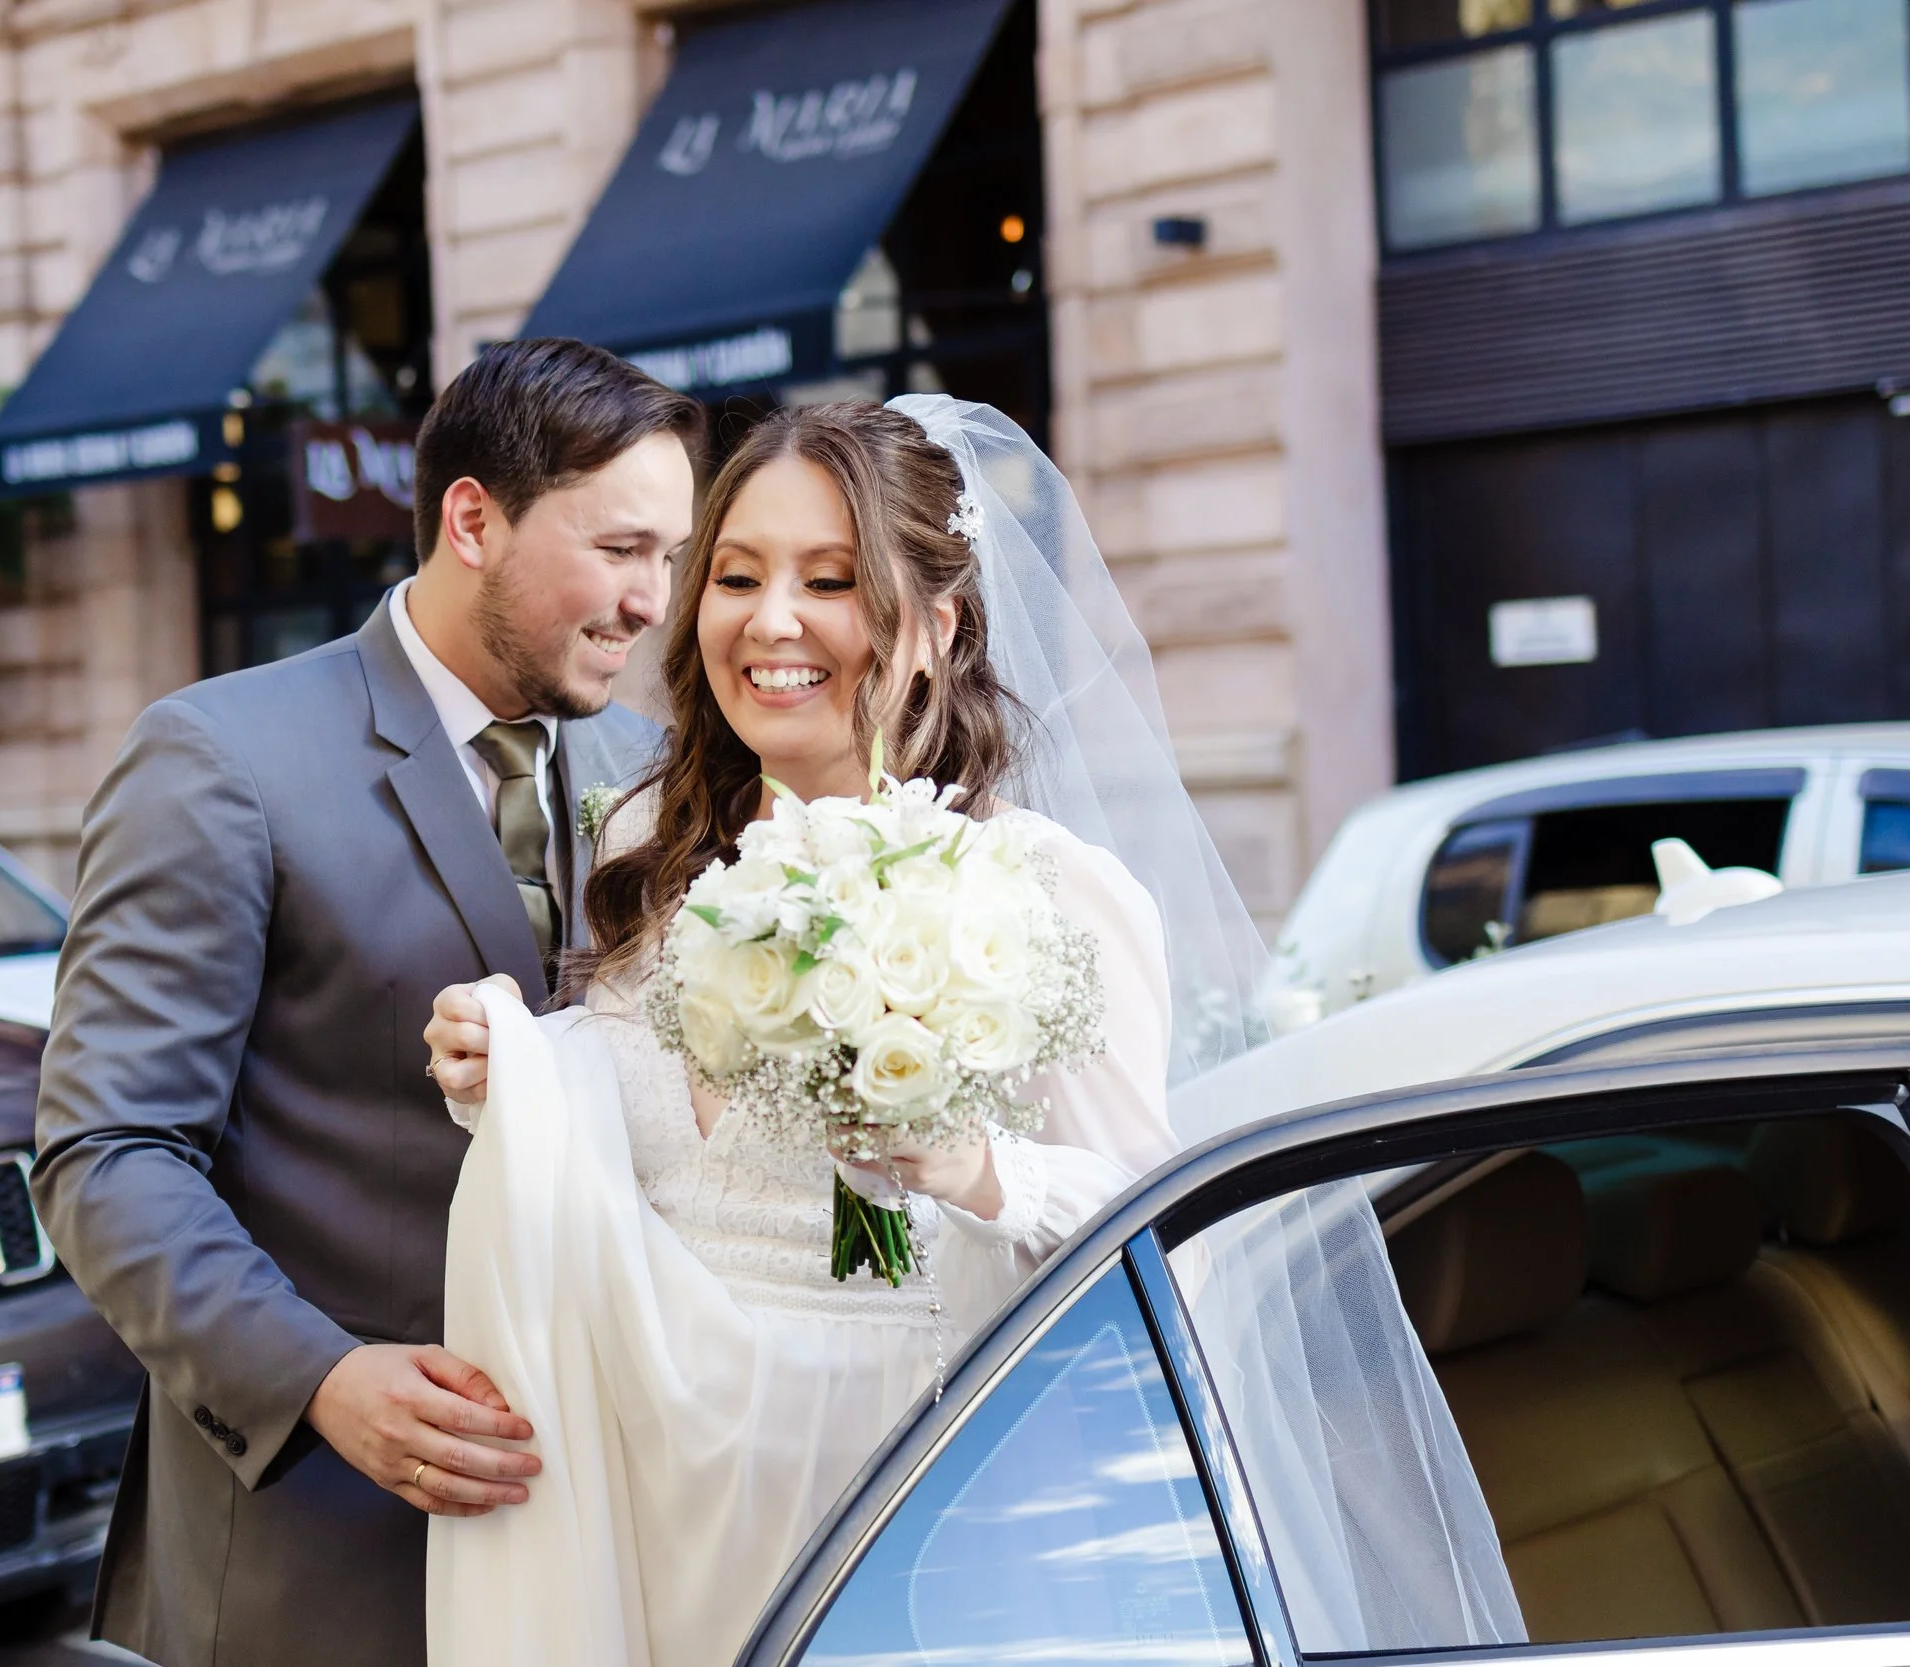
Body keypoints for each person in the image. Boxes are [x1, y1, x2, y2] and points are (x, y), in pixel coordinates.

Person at [420, 397, 1525, 1666]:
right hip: (655, 1485)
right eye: (734, 576)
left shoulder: (1043, 895)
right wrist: (510, 1069)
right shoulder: (641, 855)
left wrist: (971, 1172)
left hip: (898, 1516)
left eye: (830, 579)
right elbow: (629, 1144)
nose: (769, 621)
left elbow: (1169, 1235)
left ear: (937, 624)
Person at [32, 338, 701, 1667]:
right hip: (319, 1554)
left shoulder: (636, 762)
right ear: (473, 519)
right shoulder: (221, 758)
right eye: (624, 548)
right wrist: (324, 1379)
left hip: (594, 1524)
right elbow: (105, 1156)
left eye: (674, 556)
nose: (653, 601)